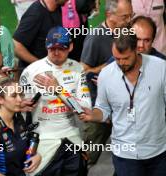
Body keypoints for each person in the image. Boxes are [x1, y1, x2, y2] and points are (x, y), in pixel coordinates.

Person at [79, 32, 166, 176]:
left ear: (137, 50)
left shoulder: (160, 68)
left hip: (157, 151)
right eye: (117, 58)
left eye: (126, 58)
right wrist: (93, 115)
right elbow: (103, 108)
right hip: (124, 154)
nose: (121, 63)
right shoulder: (106, 74)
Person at [19, 26, 91, 176]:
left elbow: (83, 111)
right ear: (46, 46)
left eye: (62, 48)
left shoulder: (78, 69)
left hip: (71, 137)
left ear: (70, 47)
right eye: (52, 48)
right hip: (42, 139)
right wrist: (21, 106)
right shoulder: (31, 71)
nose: (56, 53)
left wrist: (58, 90)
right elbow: (19, 111)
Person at [80, 0, 133, 165]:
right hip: (99, 107)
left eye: (131, 15)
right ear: (110, 15)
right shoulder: (96, 37)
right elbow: (83, 72)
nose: (129, 20)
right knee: (88, 158)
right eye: (125, 16)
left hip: (122, 107)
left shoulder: (126, 32)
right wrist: (109, 66)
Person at [0, 76, 41, 176]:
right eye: (13, 96)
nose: (20, 99)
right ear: (0, 99)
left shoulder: (19, 118)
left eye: (20, 94)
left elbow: (27, 149)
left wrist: (38, 156)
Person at [13, 0, 90, 70]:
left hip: (66, 72)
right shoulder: (36, 12)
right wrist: (43, 65)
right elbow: (16, 46)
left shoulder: (66, 9)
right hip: (39, 75)